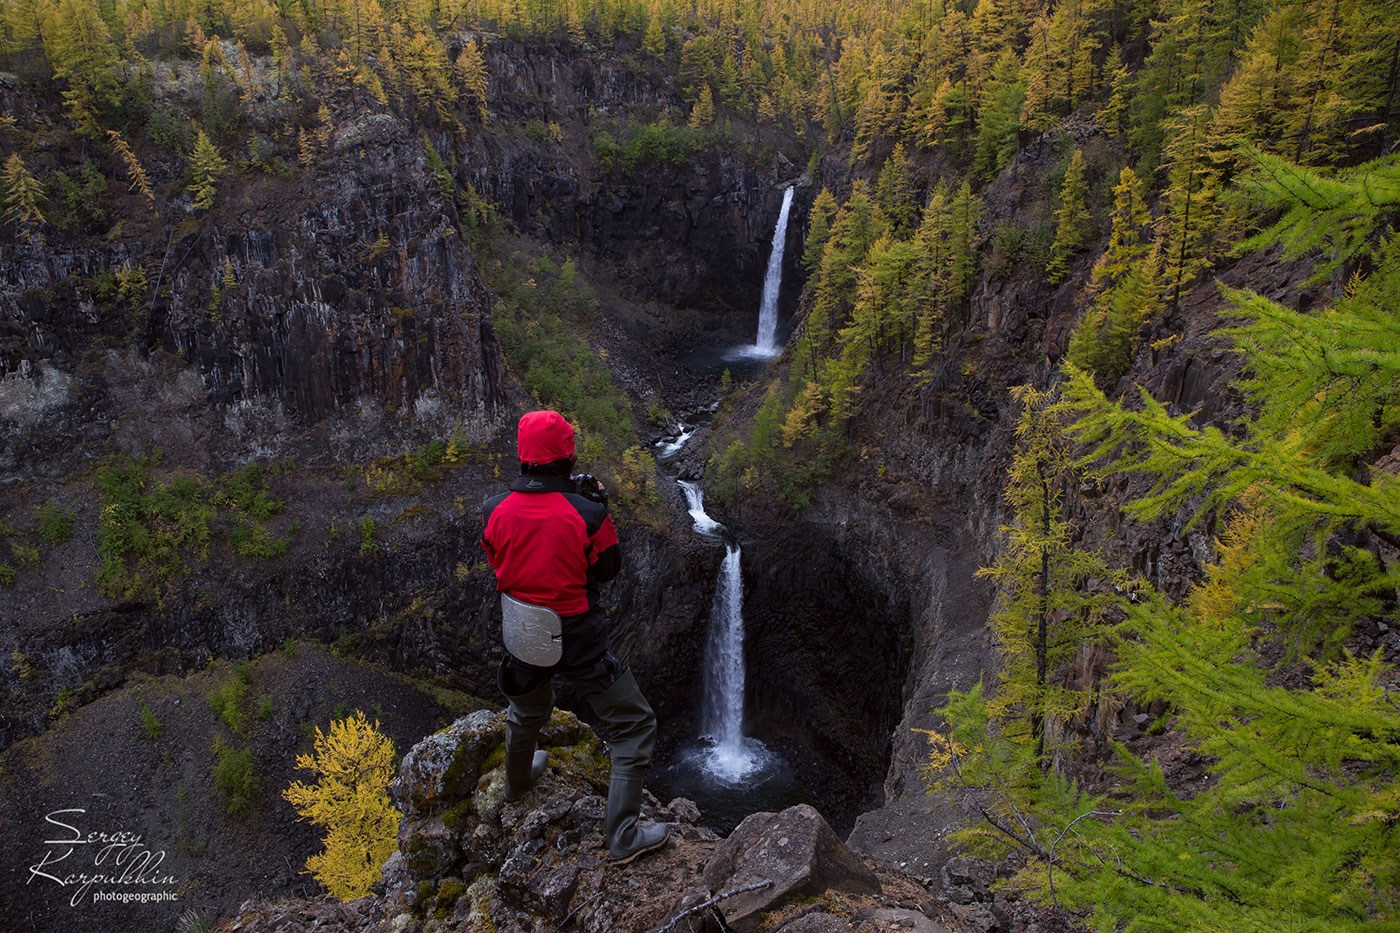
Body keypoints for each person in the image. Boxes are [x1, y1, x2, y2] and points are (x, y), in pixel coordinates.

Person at [481, 410, 670, 864]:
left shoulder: (494, 509)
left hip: (522, 628)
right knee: (633, 723)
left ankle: (518, 780)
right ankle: (623, 834)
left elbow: (496, 559)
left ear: (524, 456)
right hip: (579, 638)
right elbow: (607, 569)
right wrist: (598, 507)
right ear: (568, 455)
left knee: (526, 706)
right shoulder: (586, 513)